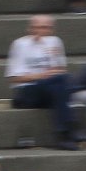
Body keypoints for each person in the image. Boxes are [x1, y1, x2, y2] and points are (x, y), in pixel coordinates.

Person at [8, 16, 78, 151]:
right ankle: (69, 130)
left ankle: (64, 135)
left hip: (51, 90)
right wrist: (42, 76)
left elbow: (61, 71)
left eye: (47, 28)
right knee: (63, 83)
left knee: (61, 84)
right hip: (27, 91)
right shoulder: (20, 44)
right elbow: (14, 78)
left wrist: (54, 58)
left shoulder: (55, 41)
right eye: (39, 27)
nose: (43, 31)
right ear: (30, 29)